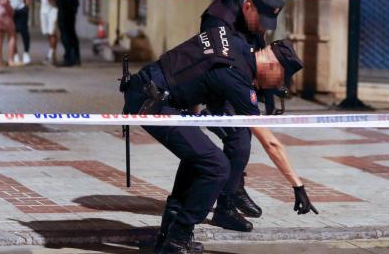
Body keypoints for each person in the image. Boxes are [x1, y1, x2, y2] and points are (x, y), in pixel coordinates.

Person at [122, 27, 316, 254]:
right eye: (280, 80)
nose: (275, 86)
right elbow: (270, 142)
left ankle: (167, 238)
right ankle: (178, 238)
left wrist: (191, 119)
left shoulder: (236, 44)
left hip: (152, 92)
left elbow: (189, 69)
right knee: (217, 167)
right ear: (273, 65)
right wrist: (297, 185)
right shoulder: (237, 76)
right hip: (152, 102)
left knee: (199, 158)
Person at [199, 0, 284, 230]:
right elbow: (217, 67)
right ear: (248, 6)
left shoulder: (256, 8)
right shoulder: (217, 19)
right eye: (261, 20)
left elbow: (259, 44)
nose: (263, 26)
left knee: (241, 140)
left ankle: (235, 188)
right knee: (239, 138)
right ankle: (226, 205)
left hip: (239, 80)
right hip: (217, 82)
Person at [39, 0, 60, 65]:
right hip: (44, 8)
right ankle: (51, 52)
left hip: (54, 8)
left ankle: (51, 54)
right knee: (47, 32)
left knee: (53, 31)